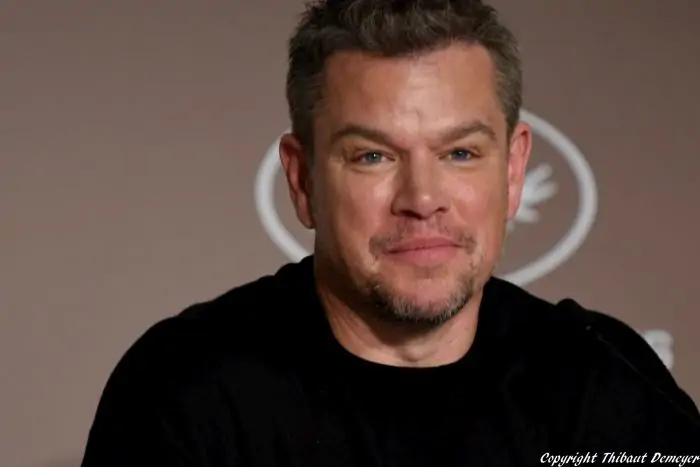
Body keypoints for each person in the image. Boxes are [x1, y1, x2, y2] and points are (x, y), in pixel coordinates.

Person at [80, 0, 700, 465]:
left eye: (460, 153)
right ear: (302, 180)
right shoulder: (186, 393)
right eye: (372, 156)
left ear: (513, 171)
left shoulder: (605, 384)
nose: (422, 200)